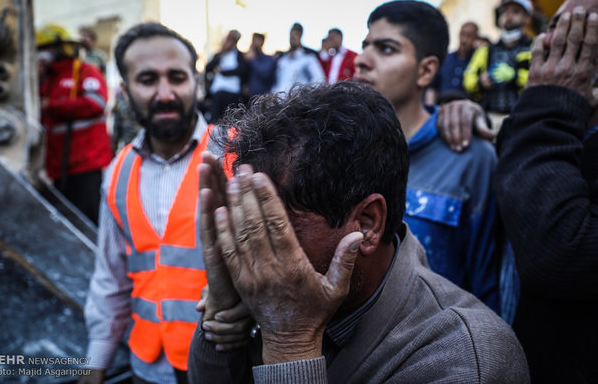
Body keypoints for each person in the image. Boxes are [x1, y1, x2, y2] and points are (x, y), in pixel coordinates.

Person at [188, 82, 529, 383]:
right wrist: (223, 320)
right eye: (246, 215)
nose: (249, 246)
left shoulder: (467, 358)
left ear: (367, 224)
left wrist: (290, 343)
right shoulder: (267, 294)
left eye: (272, 223)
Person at [81, 22, 213, 384]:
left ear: (196, 83)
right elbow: (110, 277)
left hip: (225, 367)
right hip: (148, 369)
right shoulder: (117, 172)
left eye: (177, 77)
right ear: (125, 91)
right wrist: (94, 366)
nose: (165, 93)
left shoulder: (237, 158)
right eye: (148, 80)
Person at [353, 0, 500, 312]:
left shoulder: (471, 157)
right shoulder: (344, 151)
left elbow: (488, 291)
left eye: (387, 49)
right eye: (364, 45)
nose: (362, 60)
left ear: (427, 70)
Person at [494, 0, 598, 381]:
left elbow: (560, 249)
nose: (552, 45)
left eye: (582, 34)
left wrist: (549, 105)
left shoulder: (554, 117)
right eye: (557, 27)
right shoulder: (571, 130)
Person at [36, 24, 113, 225]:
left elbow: (96, 103)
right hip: (58, 166)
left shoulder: (85, 71)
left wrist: (52, 106)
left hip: (86, 164)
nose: (44, 54)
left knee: (88, 221)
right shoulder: (46, 78)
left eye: (47, 49)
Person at [463, 0, 533, 132]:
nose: (509, 15)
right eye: (505, 11)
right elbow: (468, 78)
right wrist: (481, 81)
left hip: (526, 117)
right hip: (492, 119)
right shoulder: (485, 50)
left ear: (527, 18)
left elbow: (543, 81)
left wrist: (515, 77)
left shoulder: (535, 47)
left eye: (516, 11)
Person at [426, 21, 479, 104]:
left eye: (469, 36)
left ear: (476, 38)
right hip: (442, 106)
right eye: (462, 34)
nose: (464, 40)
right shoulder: (446, 59)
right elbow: (432, 88)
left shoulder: (478, 61)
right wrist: (430, 111)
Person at [204, 29, 249, 123]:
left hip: (232, 93)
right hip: (217, 93)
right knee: (215, 122)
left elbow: (241, 70)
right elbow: (208, 68)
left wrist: (222, 72)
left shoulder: (239, 55)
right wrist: (222, 53)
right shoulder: (219, 55)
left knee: (231, 122)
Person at [272, 22, 325, 93]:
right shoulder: (283, 60)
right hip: (278, 101)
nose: (293, 39)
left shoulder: (308, 58)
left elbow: (319, 80)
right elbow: (278, 82)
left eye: (296, 35)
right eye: (291, 36)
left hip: (296, 101)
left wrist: (304, 95)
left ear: (300, 36)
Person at [243, 32, 276, 100]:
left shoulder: (268, 59)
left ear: (262, 42)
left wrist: (253, 60)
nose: (253, 43)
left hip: (262, 97)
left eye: (256, 40)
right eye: (253, 40)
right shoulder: (247, 58)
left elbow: (265, 73)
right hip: (248, 97)